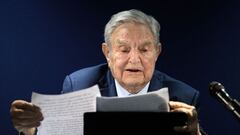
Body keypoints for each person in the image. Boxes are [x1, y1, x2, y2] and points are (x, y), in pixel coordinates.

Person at [10, 9, 206, 135]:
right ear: (107, 53)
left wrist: (195, 133)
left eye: (145, 50)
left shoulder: (184, 96)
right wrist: (29, 130)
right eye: (124, 49)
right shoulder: (79, 85)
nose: (135, 59)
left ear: (157, 52)